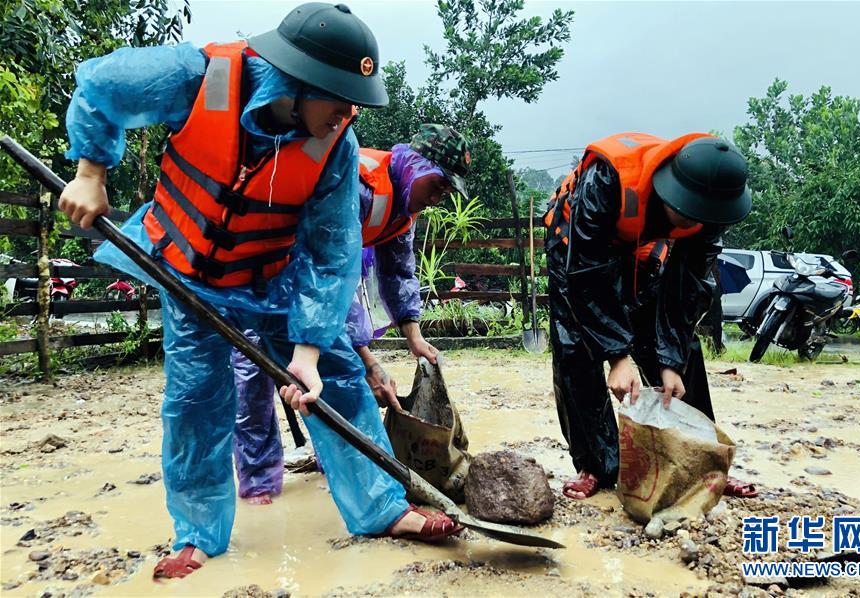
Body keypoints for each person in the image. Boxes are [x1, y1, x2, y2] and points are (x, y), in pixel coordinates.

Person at [58, 2, 462, 581]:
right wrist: (90, 173)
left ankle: (382, 508)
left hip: (275, 280)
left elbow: (332, 251)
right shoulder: (198, 78)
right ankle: (198, 534)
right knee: (196, 401)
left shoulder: (337, 146)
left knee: (339, 379)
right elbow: (101, 84)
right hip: (190, 274)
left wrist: (307, 353)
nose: (347, 113)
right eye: (339, 99)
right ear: (299, 81)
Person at [232, 124, 472, 504]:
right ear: (415, 165)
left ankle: (336, 464)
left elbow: (399, 273)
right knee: (253, 374)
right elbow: (330, 272)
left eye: (445, 193)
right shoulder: (358, 187)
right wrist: (368, 361)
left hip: (314, 283)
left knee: (329, 377)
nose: (437, 198)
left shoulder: (401, 210)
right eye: (438, 185)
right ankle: (259, 483)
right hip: (263, 271)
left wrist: (414, 338)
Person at [543, 133, 757, 500]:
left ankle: (704, 461)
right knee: (575, 347)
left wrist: (669, 360)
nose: (694, 222)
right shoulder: (606, 179)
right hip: (575, 248)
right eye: (687, 213)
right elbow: (588, 274)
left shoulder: (713, 207)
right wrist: (617, 356)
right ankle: (596, 464)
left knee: (680, 348)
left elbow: (687, 288)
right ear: (669, 191)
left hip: (643, 247)